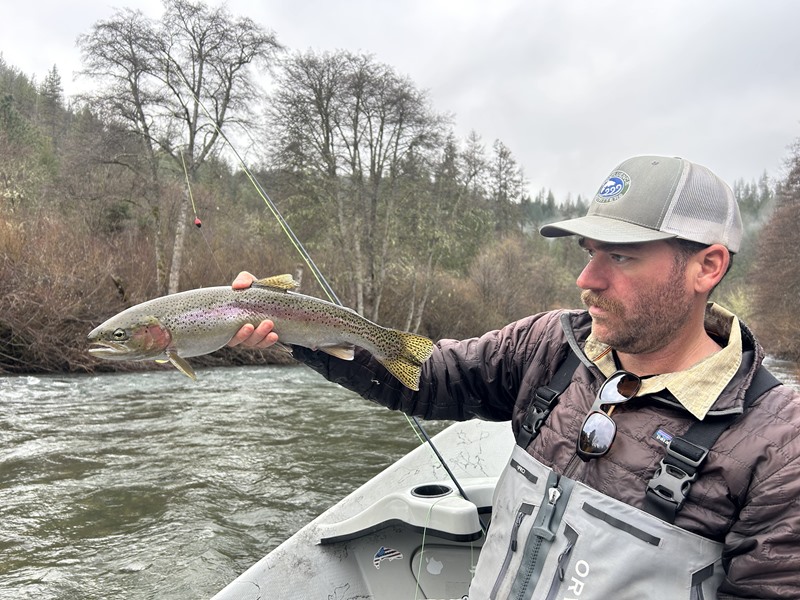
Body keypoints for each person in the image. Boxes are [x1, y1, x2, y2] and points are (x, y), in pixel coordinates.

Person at [227, 155, 800, 599]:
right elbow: (426, 376)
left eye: (620, 257)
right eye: (589, 251)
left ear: (708, 266)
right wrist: (297, 326)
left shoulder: (780, 446)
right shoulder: (553, 342)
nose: (587, 278)